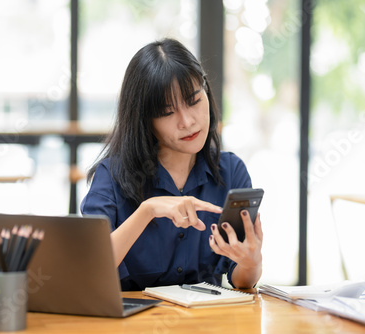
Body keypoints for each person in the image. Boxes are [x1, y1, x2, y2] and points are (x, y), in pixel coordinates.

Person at [80, 38, 262, 291]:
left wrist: (251, 263)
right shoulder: (112, 176)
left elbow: (240, 280)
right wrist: (147, 211)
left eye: (194, 101)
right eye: (167, 112)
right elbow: (89, 271)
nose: (187, 121)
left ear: (207, 92)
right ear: (144, 119)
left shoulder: (231, 172)